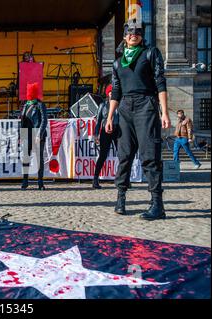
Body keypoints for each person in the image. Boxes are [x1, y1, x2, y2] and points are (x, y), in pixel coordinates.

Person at [105, 18, 171, 221]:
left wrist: (164, 112)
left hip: (146, 105)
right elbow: (116, 91)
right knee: (124, 155)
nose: (134, 34)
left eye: (138, 31)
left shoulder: (151, 53)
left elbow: (160, 82)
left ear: (142, 35)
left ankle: (157, 205)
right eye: (130, 31)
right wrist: (109, 116)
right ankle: (121, 198)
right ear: (124, 36)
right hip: (125, 108)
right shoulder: (117, 63)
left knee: (149, 155)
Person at [20, 82, 48, 190]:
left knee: (39, 159)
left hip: (37, 135)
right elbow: (23, 122)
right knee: (26, 158)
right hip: (27, 135)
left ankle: (40, 183)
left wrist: (39, 134)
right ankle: (25, 181)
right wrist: (21, 136)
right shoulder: (26, 105)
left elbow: (44, 120)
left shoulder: (40, 105)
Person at [93, 84, 119, 189]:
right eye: (110, 92)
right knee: (103, 155)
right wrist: (96, 135)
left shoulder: (119, 105)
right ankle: (95, 179)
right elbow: (98, 121)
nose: (112, 94)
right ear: (107, 94)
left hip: (118, 131)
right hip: (105, 131)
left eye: (113, 92)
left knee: (123, 155)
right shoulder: (102, 105)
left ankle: (124, 179)